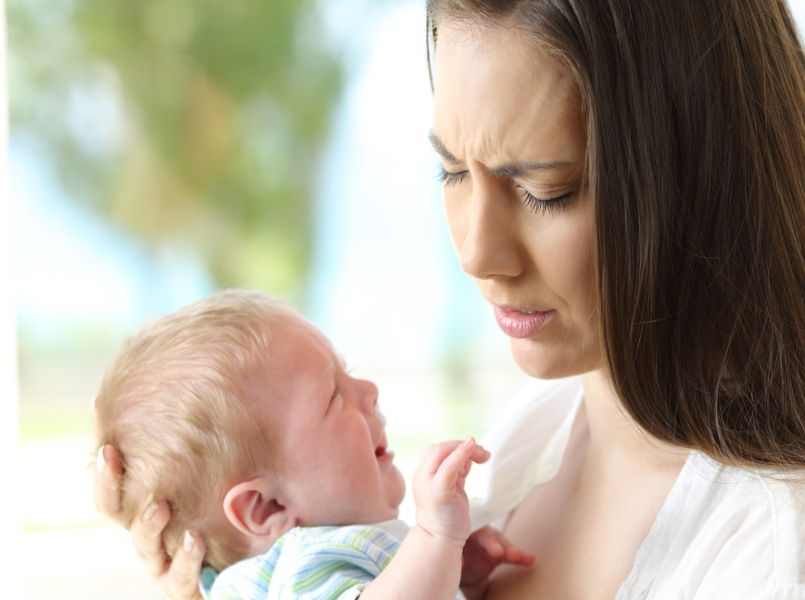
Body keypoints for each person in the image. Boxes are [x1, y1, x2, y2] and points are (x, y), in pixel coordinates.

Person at [96, 0, 805, 597]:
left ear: (698, 175)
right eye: (451, 171)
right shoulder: (530, 434)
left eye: (543, 190)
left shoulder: (769, 543)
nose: (474, 253)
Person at [93, 290, 533, 599]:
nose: (369, 390)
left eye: (348, 371)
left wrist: (454, 573)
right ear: (267, 508)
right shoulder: (304, 566)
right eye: (332, 397)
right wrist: (436, 539)